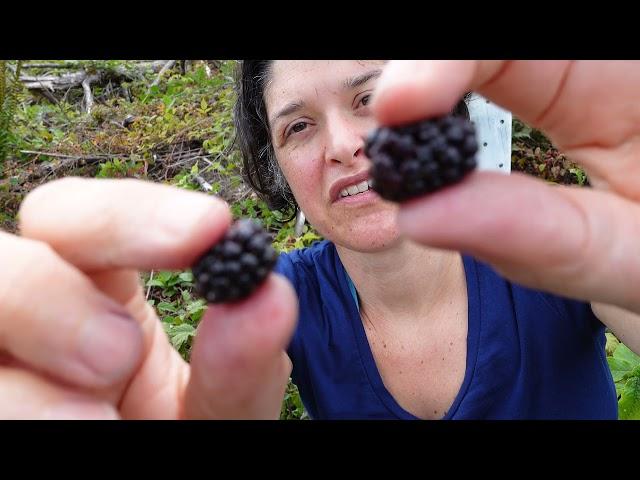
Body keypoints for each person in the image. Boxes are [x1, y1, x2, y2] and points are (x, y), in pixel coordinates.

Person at [2, 60, 639, 419]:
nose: (342, 146)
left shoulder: (562, 254)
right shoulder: (279, 300)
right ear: (276, 168)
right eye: (299, 127)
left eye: (369, 98)